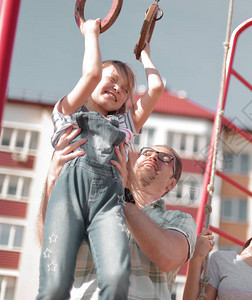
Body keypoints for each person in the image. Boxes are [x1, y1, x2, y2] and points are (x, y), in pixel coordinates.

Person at [37, 17, 164, 299]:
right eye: (113, 80)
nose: (118, 89)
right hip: (68, 194)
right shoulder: (67, 112)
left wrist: (144, 54)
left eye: (125, 90)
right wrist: (91, 32)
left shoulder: (126, 125)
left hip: (108, 202)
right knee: (54, 283)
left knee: (118, 279)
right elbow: (92, 73)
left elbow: (155, 89)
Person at [39, 128, 197, 299]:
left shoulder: (178, 219)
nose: (153, 157)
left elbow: (168, 257)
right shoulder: (92, 206)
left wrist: (122, 197)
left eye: (166, 158)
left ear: (171, 185)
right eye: (148, 152)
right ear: (134, 165)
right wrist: (53, 179)